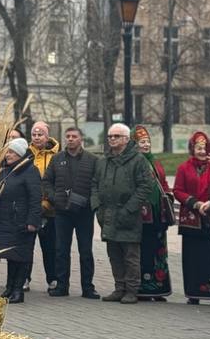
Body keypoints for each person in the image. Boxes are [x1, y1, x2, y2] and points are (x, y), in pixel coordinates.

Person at [93, 123, 155, 304]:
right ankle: (119, 287)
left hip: (128, 214)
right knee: (114, 253)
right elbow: (94, 184)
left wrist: (130, 208)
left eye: (116, 136)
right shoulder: (103, 161)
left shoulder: (138, 160)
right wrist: (96, 205)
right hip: (107, 214)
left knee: (130, 255)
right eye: (110, 136)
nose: (112, 139)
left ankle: (131, 290)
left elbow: (145, 186)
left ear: (127, 139)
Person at [173, 130, 210, 305]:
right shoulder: (184, 168)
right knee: (193, 257)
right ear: (192, 148)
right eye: (198, 148)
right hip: (192, 218)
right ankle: (194, 293)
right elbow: (178, 191)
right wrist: (195, 204)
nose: (202, 151)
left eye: (205, 147)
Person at [44, 125, 99, 299]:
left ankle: (88, 287)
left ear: (81, 138)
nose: (70, 139)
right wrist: (55, 198)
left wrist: (90, 201)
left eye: (74, 136)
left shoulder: (92, 159)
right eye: (67, 136)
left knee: (85, 250)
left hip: (84, 212)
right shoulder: (57, 159)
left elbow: (97, 183)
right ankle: (62, 285)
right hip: (62, 212)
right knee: (61, 250)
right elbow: (46, 182)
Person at [0, 137, 41, 304]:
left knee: (22, 256)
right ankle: (9, 288)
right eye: (7, 151)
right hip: (6, 220)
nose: (7, 155)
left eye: (11, 152)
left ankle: (18, 290)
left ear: (19, 154)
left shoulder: (30, 171)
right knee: (11, 256)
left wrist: (32, 221)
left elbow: (35, 197)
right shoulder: (5, 170)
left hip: (22, 221)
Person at [132, 126, 173, 301]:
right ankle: (144, 287)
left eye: (148, 141)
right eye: (142, 142)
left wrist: (168, 193)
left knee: (159, 250)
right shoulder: (134, 162)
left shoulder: (155, 161)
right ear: (135, 144)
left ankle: (160, 287)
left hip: (158, 214)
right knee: (144, 250)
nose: (146, 144)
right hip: (143, 215)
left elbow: (162, 182)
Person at [26, 121, 59, 291]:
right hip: (28, 209)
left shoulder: (57, 155)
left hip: (49, 210)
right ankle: (24, 278)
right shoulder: (26, 154)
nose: (37, 137)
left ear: (47, 136)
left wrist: (46, 204)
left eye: (40, 134)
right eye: (34, 134)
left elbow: (56, 181)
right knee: (26, 246)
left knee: (50, 247)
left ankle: (52, 279)